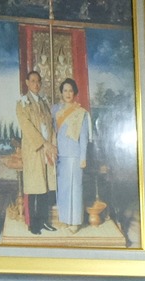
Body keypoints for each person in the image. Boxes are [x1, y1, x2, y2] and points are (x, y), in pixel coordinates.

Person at [15, 69, 57, 235]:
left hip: (47, 149)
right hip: (34, 149)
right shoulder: (22, 103)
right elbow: (27, 128)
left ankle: (45, 220)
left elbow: (51, 124)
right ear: (27, 83)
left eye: (38, 81)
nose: (36, 84)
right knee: (34, 186)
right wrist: (44, 143)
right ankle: (33, 224)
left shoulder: (44, 102)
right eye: (33, 81)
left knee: (46, 185)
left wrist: (52, 144)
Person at [54, 78, 90, 231]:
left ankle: (75, 222)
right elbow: (51, 132)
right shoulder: (55, 110)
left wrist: (83, 157)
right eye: (65, 90)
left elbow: (84, 138)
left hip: (75, 156)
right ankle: (65, 219)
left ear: (74, 92)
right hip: (60, 155)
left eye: (70, 90)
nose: (68, 93)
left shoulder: (81, 113)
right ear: (61, 93)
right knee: (63, 188)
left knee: (75, 187)